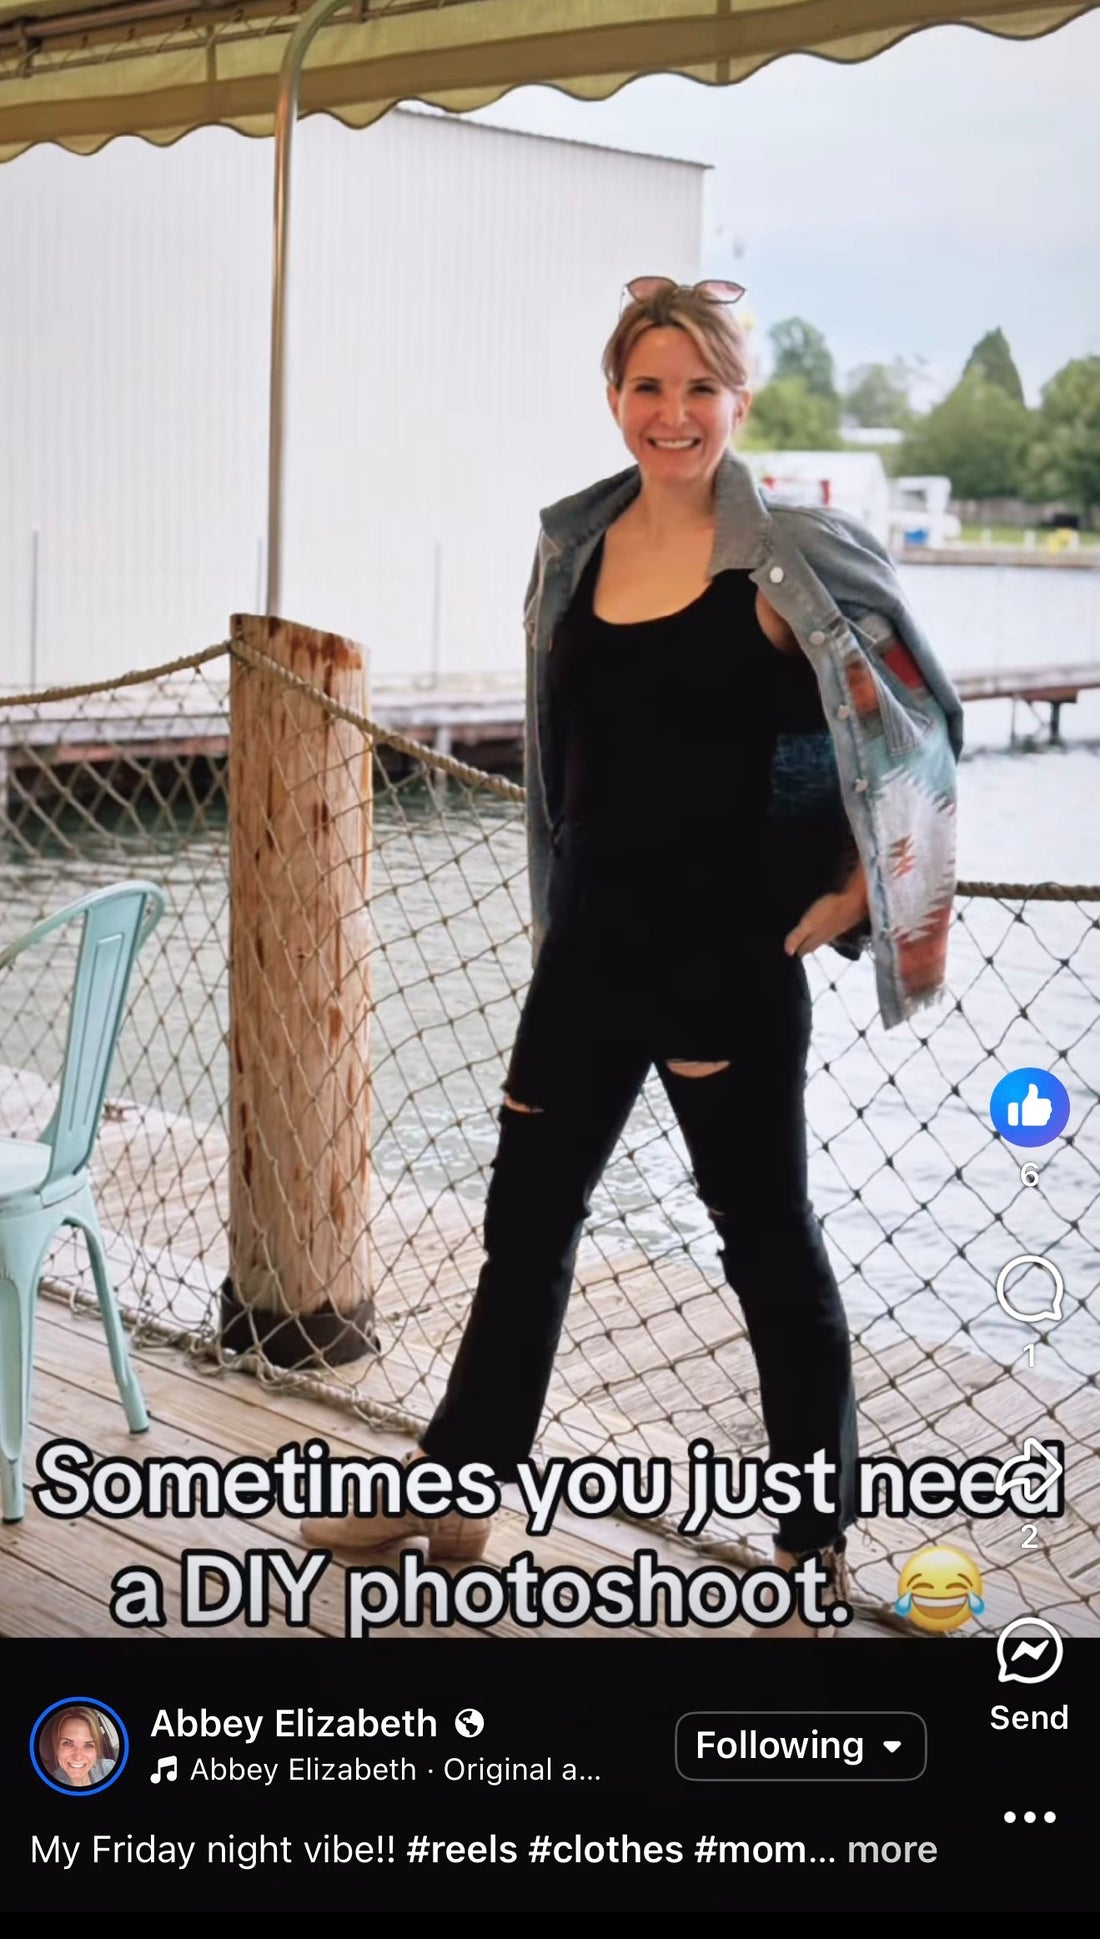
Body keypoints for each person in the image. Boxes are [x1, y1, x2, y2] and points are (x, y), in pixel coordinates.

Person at [302, 278, 963, 1633]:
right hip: (587, 951)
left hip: (726, 963)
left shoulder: (791, 558)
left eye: (698, 388)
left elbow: (920, 721)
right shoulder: (574, 546)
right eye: (648, 387)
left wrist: (857, 890)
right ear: (614, 397)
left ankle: (813, 1542)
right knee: (523, 1230)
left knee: (765, 1245)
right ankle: (458, 1492)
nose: (673, 414)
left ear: (737, 401)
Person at [46, 1707, 116, 1786]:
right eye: (67, 1743)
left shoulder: (109, 1768)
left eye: (88, 1745)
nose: (78, 1757)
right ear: (57, 1747)